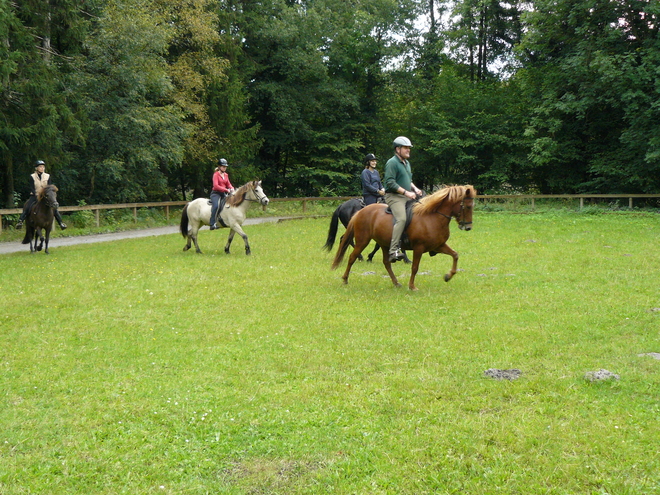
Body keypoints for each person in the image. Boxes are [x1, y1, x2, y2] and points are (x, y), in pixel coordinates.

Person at [383, 136, 422, 262]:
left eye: (409, 148)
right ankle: (393, 250)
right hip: (394, 196)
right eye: (405, 148)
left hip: (406, 195)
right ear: (397, 149)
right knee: (402, 218)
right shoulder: (392, 162)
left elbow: (408, 180)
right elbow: (390, 183)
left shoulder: (407, 163)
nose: (408, 150)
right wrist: (406, 193)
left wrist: (415, 189)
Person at [16, 160, 67, 230]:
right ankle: (20, 221)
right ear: (36, 168)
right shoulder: (32, 176)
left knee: (54, 208)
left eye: (43, 167)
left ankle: (61, 223)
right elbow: (31, 187)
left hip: (45, 196)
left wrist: (47, 195)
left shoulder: (47, 176)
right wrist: (36, 194)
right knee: (28, 206)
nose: (42, 168)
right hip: (35, 195)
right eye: (40, 167)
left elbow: (49, 187)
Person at [209, 158, 234, 230]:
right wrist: (226, 190)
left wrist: (232, 188)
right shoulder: (216, 174)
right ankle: (212, 223)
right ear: (219, 167)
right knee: (216, 206)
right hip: (215, 193)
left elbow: (228, 184)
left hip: (223, 193)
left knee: (229, 205)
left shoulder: (226, 175)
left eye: (225, 167)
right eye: (223, 166)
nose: (225, 168)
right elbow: (216, 186)